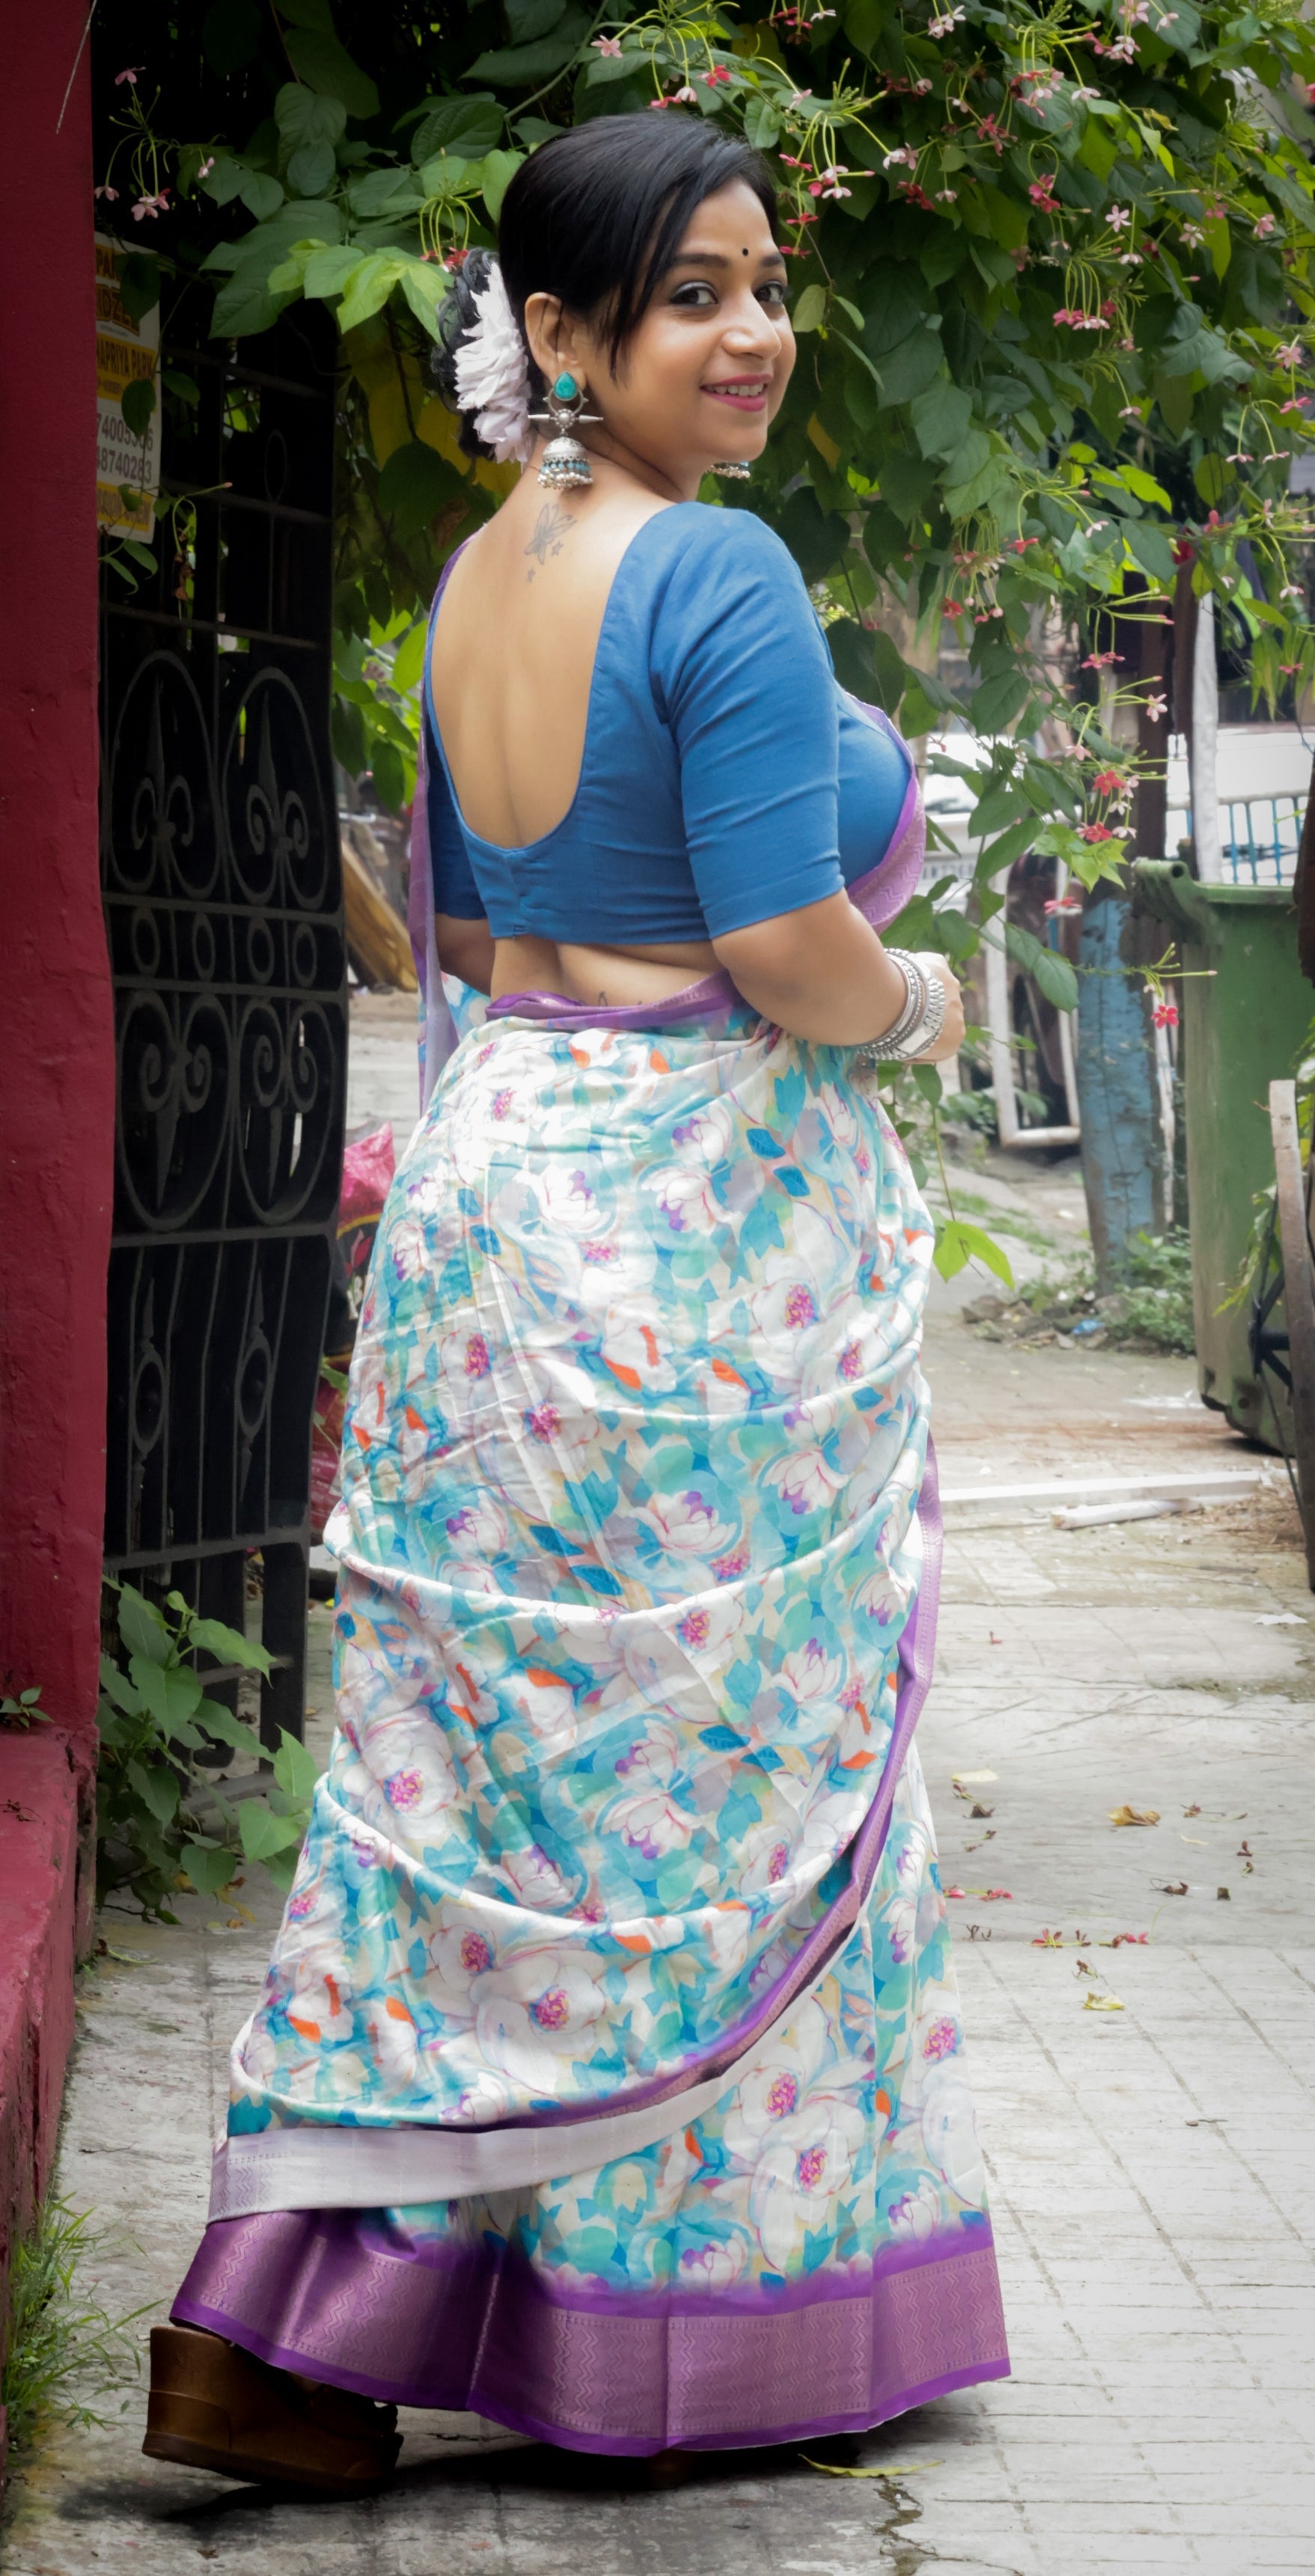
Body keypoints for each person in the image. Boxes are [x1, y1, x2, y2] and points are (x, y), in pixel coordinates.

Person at [144, 110, 1008, 2495]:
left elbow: (463, 921)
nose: (755, 333)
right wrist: (923, 1007)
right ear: (557, 334)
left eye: (764, 285)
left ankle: (286, 2323)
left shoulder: (463, 577)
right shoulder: (717, 579)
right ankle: (676, 2329)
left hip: (499, 1181)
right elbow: (778, 948)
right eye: (697, 295)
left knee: (480, 1772)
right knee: (701, 1781)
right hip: (687, 1222)